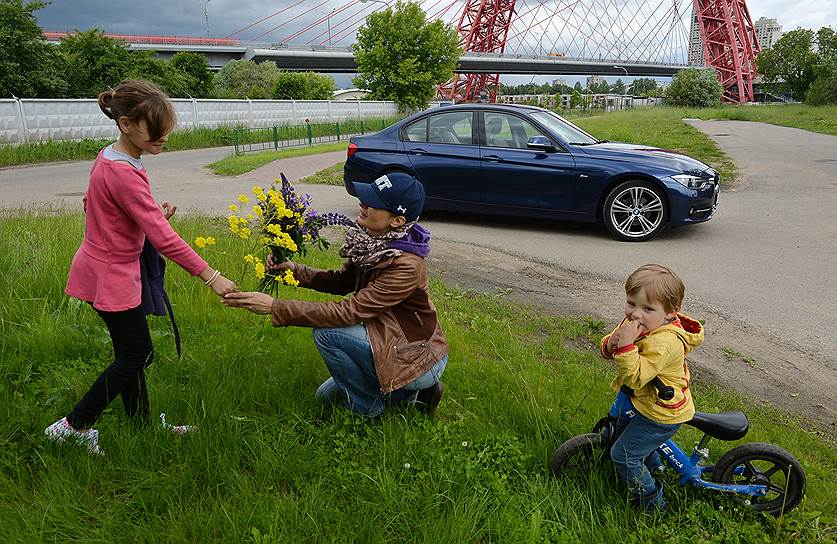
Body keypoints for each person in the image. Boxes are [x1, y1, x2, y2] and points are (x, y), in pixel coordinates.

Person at [44, 80, 236, 455]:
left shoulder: (110, 157)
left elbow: (94, 205)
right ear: (126, 124)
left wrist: (144, 218)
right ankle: (73, 425)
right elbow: (164, 239)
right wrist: (211, 276)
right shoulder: (124, 171)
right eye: (155, 127)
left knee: (128, 354)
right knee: (139, 354)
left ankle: (142, 427)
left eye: (165, 127)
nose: (164, 136)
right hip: (111, 277)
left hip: (102, 269)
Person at [223, 172, 449, 418]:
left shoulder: (406, 265)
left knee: (328, 334)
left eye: (373, 203)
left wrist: (276, 306)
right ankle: (411, 395)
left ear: (397, 220)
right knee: (324, 396)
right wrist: (294, 271)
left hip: (416, 356)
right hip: (384, 336)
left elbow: (349, 311)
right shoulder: (375, 244)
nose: (362, 204)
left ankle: (368, 411)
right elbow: (342, 282)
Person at [599, 264, 704, 512]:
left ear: (670, 313)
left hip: (662, 412)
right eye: (631, 303)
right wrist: (613, 342)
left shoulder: (666, 342)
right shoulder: (638, 322)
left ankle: (651, 502)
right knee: (628, 439)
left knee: (623, 455)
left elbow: (636, 377)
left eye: (647, 308)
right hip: (644, 400)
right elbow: (609, 348)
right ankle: (654, 466)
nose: (635, 314)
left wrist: (624, 347)